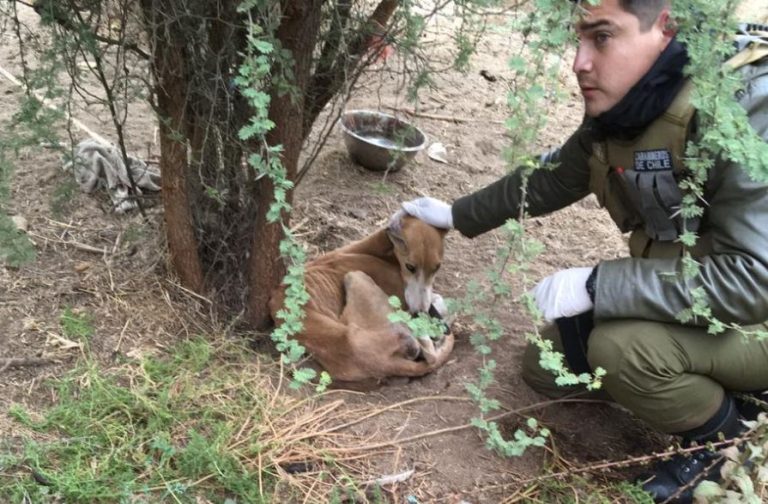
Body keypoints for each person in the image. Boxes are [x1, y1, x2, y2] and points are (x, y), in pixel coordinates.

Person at [400, 0, 768, 502]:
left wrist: (598, 285)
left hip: (754, 314)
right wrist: (457, 214)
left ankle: (727, 441)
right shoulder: (639, 98)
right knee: (547, 364)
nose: (579, 62)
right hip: (702, 304)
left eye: (602, 38)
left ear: (667, 27)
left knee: (622, 351)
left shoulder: (748, 105)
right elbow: (558, 175)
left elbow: (753, 279)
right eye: (578, 39)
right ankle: (713, 386)